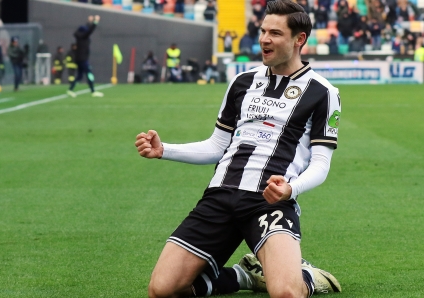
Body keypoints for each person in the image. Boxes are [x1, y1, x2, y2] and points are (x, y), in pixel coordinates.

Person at [134, 0, 342, 297]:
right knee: (163, 289)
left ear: (299, 40)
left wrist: (290, 190)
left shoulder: (323, 92)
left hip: (270, 202)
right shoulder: (242, 82)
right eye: (263, 31)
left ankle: (305, 276)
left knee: (286, 293)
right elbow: (218, 145)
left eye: (275, 33)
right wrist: (164, 149)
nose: (264, 39)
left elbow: (321, 164)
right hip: (221, 195)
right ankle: (244, 276)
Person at [67, 15, 103, 98]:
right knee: (89, 73)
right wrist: (95, 22)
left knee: (79, 76)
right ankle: (93, 91)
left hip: (79, 59)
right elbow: (90, 31)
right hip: (83, 59)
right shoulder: (83, 37)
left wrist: (90, 21)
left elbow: (87, 29)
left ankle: (70, 90)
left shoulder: (79, 36)